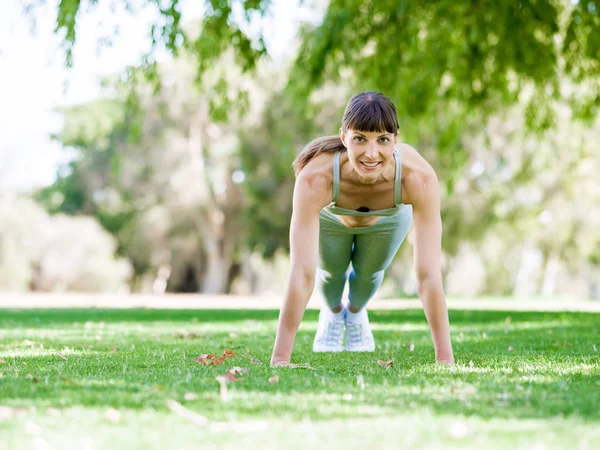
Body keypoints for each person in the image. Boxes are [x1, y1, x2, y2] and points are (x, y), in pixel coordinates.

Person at [270, 91, 454, 366]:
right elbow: (302, 274)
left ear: (396, 139)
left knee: (369, 274)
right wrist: (280, 358)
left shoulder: (419, 179)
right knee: (330, 273)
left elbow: (427, 275)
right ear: (344, 137)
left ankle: (355, 313)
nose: (371, 153)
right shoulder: (315, 179)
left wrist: (445, 359)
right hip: (334, 220)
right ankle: (333, 313)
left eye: (382, 140)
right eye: (360, 139)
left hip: (388, 220)